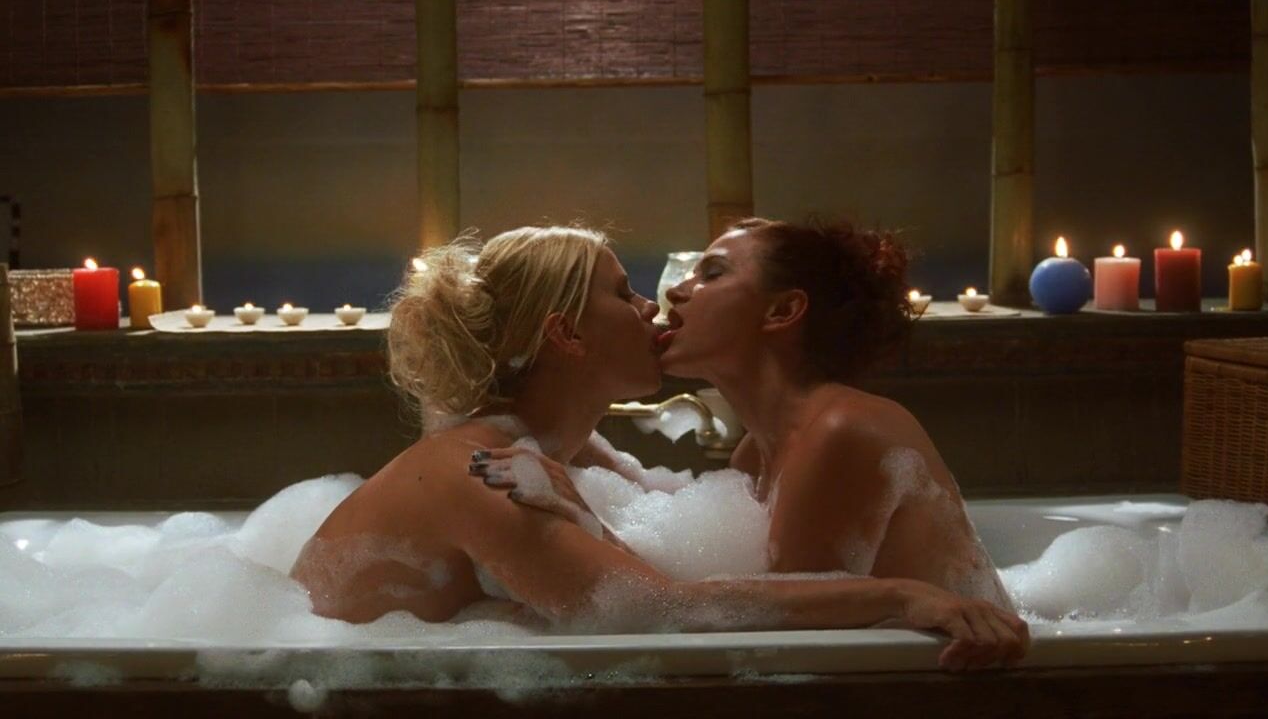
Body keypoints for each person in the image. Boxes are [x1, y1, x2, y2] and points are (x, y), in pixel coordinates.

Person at [290, 225, 1027, 670]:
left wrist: (590, 519)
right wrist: (901, 596)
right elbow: (659, 610)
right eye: (625, 293)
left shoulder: (550, 455)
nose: (657, 303)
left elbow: (653, 581)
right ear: (566, 335)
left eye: (711, 273)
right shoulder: (487, 470)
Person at [658, 217, 1014, 608]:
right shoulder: (754, 454)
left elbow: (779, 627)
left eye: (712, 274)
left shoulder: (842, 429)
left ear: (782, 310)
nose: (675, 291)